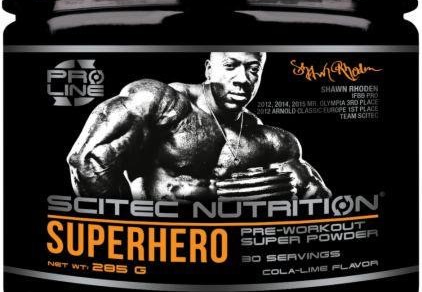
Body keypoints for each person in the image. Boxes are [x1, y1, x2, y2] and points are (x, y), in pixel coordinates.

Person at [67, 52, 332, 201]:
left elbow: (318, 199)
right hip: (157, 250)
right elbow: (89, 159)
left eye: (253, 69)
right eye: (231, 66)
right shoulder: (161, 103)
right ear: (208, 69)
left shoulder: (272, 142)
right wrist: (127, 233)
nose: (243, 79)